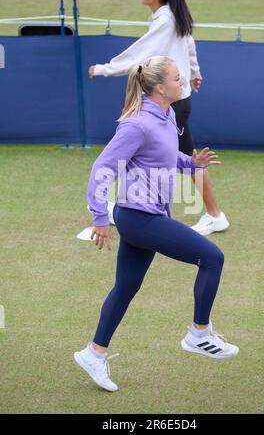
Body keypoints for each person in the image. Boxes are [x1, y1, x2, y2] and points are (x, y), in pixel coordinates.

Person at [74, 56, 239, 392]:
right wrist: (99, 217)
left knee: (126, 287)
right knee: (212, 258)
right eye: (178, 78)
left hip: (149, 216)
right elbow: (103, 169)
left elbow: (162, 156)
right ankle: (198, 333)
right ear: (160, 87)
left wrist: (190, 162)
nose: (184, 82)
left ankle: (94, 353)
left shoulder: (165, 116)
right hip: (138, 218)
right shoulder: (137, 124)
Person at [88, 0, 229, 236]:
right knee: (166, 156)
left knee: (177, 158)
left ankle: (212, 215)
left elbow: (141, 54)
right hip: (174, 99)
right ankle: (136, 209)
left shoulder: (165, 19)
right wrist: (195, 73)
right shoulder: (170, 17)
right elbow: (189, 46)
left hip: (172, 103)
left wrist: (105, 69)